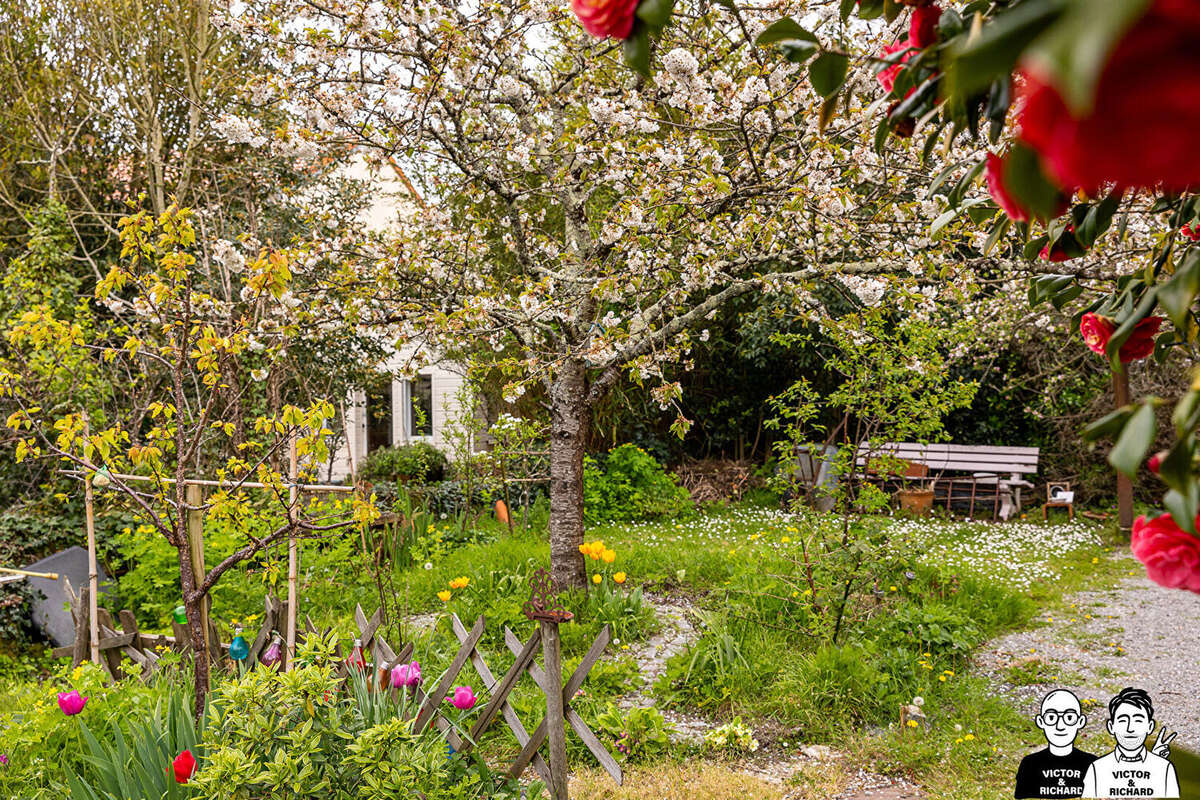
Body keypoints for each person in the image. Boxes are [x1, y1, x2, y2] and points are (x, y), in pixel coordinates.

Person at [1081, 687, 1178, 799]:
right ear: (1111, 727)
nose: (1130, 728)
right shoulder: (1098, 768)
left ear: (1150, 726)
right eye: (1122, 720)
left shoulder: (1164, 768)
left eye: (1138, 721)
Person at [1015, 689, 1098, 798]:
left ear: (1080, 721)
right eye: (1051, 718)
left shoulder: (1093, 765)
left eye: (1069, 718)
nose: (1060, 726)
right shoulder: (1030, 765)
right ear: (1041, 722)